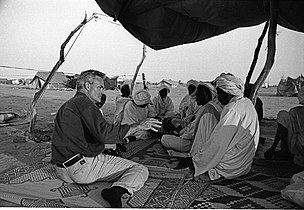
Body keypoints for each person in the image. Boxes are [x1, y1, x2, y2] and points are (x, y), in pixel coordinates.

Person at [51, 69, 161, 208]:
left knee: (109, 149)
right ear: (87, 86)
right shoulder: (85, 103)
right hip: (81, 170)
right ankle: (117, 190)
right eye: (99, 87)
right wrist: (138, 126)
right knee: (139, 169)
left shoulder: (69, 104)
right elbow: (105, 135)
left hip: (62, 171)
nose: (102, 92)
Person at [187, 73, 260, 181]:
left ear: (228, 92)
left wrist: (198, 161)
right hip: (244, 164)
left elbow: (219, 142)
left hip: (230, 166)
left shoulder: (232, 108)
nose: (218, 97)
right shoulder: (246, 103)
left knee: (208, 124)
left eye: (220, 94)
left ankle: (209, 169)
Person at [161, 82, 222, 153]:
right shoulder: (211, 107)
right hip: (193, 133)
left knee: (164, 138)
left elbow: (194, 133)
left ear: (207, 95)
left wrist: (182, 134)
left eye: (199, 95)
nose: (196, 97)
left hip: (196, 145)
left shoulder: (206, 109)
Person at [264, 86, 304, 167]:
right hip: (299, 145)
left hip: (301, 147)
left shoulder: (296, 112)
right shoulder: (296, 111)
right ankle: (285, 150)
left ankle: (286, 151)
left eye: (301, 93)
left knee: (283, 115)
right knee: (283, 115)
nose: (298, 95)